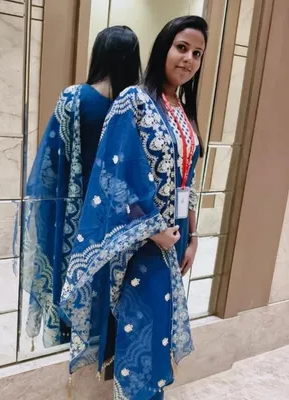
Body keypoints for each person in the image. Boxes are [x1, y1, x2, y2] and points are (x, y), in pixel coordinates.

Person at [60, 15, 208, 399]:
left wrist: (193, 236)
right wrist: (153, 231)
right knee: (140, 332)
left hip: (176, 239)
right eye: (181, 48)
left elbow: (187, 182)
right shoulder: (135, 101)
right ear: (162, 48)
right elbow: (112, 178)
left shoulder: (183, 109)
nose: (189, 59)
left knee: (159, 333)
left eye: (197, 53)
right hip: (142, 242)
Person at [20, 26, 142, 350]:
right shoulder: (136, 107)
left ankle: (70, 334)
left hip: (76, 214)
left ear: (98, 54)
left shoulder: (74, 98)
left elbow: (49, 165)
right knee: (112, 281)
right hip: (121, 216)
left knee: (73, 272)